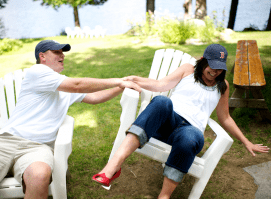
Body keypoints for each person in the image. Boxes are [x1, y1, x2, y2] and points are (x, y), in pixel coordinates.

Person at [92, 44, 270, 199]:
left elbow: (225, 118)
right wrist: (132, 80)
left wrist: (246, 142)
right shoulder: (187, 69)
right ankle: (113, 166)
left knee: (192, 136)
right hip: (166, 122)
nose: (215, 72)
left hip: (188, 132)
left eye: (219, 69)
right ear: (203, 60)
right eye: (211, 67)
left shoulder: (223, 85)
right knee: (162, 101)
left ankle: (164, 195)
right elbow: (160, 85)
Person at [0, 40, 140, 199]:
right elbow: (77, 85)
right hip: (6, 141)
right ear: (42, 57)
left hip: (38, 148)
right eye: (57, 52)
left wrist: (121, 86)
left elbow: (95, 97)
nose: (62, 55)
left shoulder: (62, 84)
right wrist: (117, 81)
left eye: (63, 52)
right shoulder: (37, 72)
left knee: (39, 175)